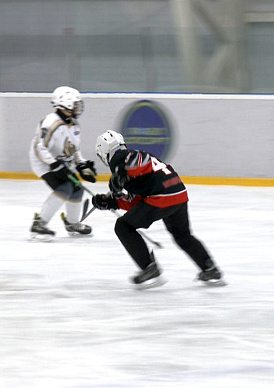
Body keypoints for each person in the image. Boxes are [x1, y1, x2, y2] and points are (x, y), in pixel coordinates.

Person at [91, 130, 224, 289]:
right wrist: (112, 202)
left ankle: (149, 268)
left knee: (123, 226)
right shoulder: (126, 161)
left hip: (163, 196)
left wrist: (120, 175)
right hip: (178, 193)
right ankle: (209, 268)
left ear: (104, 152)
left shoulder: (119, 159)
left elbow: (142, 161)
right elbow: (137, 200)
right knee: (182, 236)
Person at [27, 86, 97, 242]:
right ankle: (39, 224)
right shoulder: (50, 122)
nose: (78, 107)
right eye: (75, 104)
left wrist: (82, 165)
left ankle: (72, 224)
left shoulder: (74, 125)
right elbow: (39, 147)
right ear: (65, 103)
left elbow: (73, 149)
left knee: (77, 188)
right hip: (43, 163)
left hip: (60, 163)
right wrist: (53, 164)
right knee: (65, 188)